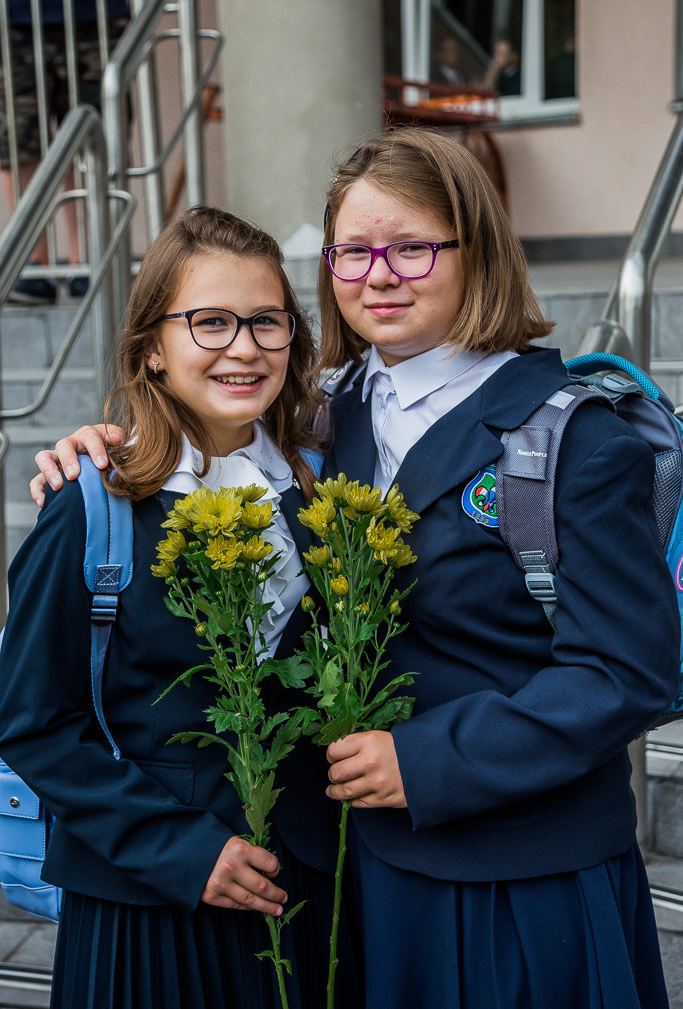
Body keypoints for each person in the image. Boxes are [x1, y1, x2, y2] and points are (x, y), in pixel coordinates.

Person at [31, 130, 680, 1009]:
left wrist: (429, 760)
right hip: (348, 876)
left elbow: (627, 671)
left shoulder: (571, 438)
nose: (379, 274)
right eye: (352, 251)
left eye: (412, 247)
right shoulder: (321, 420)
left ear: (476, 252)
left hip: (513, 872)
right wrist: (99, 448)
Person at [4, 206, 360, 1009]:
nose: (244, 347)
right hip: (149, 902)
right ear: (152, 351)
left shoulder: (322, 495)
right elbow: (29, 719)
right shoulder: (94, 505)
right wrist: (179, 850)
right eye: (210, 322)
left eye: (268, 322)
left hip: (304, 887)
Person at [0, 0, 130, 303]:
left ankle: (88, 260)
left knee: (95, 142)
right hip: (13, 16)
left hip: (94, 9)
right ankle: (32, 266)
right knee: (18, 144)